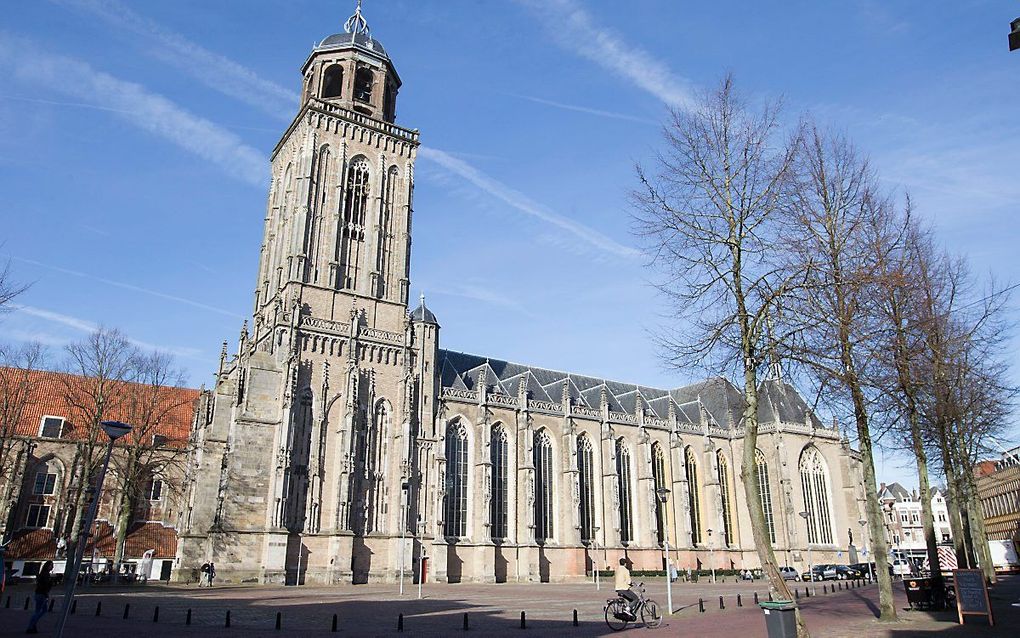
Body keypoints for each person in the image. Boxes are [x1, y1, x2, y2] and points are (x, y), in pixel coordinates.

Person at [26, 560, 54, 634]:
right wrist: (50, 584)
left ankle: (33, 625)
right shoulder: (46, 575)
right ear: (47, 566)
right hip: (42, 594)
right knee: (41, 611)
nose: (51, 567)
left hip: (39, 593)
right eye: (50, 565)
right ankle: (31, 626)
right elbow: (45, 585)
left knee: (39, 610)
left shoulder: (42, 574)